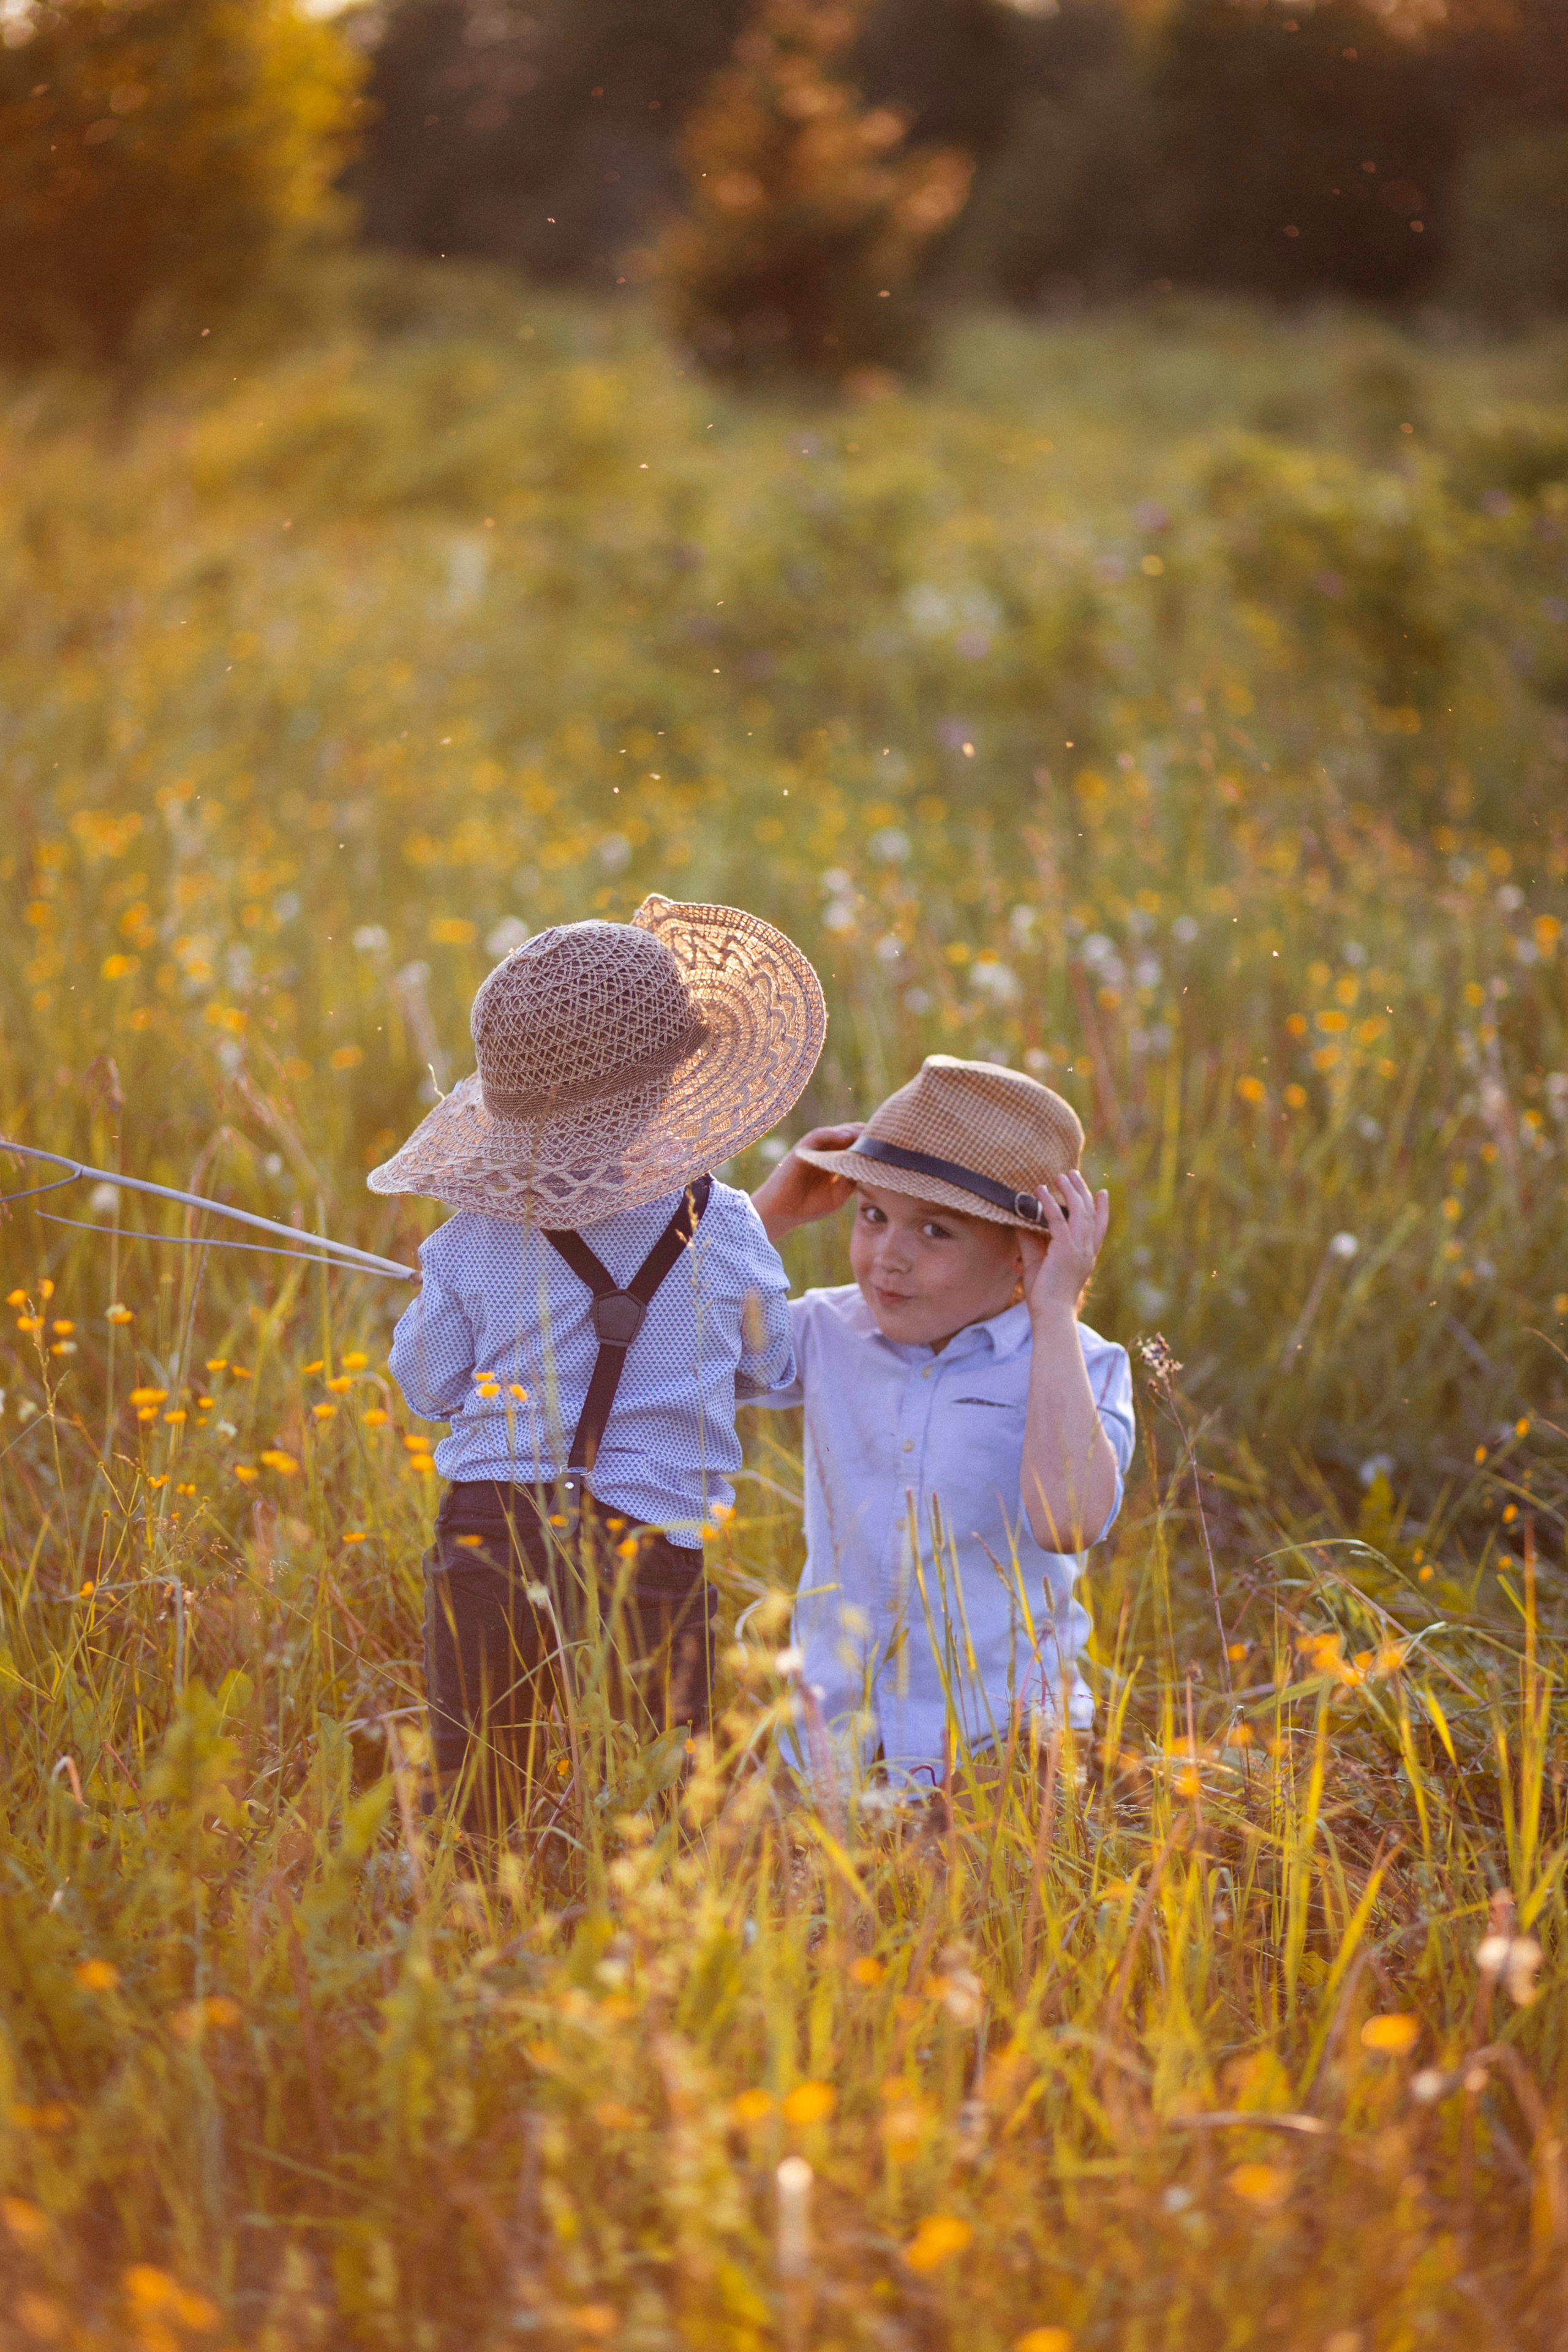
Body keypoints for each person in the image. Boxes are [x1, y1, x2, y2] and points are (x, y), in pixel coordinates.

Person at [371, 894, 825, 1828]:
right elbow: (768, 1365)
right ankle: (645, 1931)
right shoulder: (726, 1223)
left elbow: (426, 1384)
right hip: (650, 1538)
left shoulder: (469, 1239)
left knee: (479, 1773)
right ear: (673, 1082)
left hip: (489, 1529)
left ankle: (478, 1924)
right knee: (663, 1774)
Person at [749, 1053, 1134, 1790]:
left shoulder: (1076, 1365)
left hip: (1004, 1746)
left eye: (935, 1232)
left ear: (1025, 1254)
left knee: (960, 1877)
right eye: (872, 1216)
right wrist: (768, 1215)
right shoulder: (826, 1331)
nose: (887, 1258)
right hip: (836, 1745)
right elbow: (670, 1350)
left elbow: (1068, 1523)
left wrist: (1054, 1309)